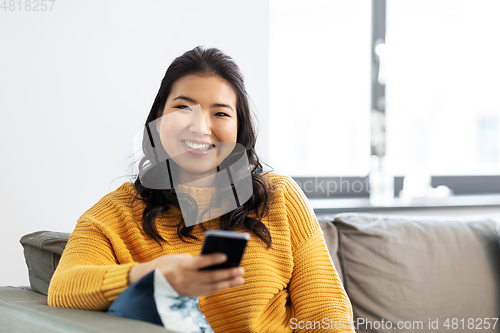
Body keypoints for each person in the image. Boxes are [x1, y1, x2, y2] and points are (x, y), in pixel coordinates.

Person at [48, 46, 355, 332]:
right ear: (158, 118)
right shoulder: (115, 214)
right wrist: (155, 276)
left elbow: (328, 316)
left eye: (220, 113)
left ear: (239, 128)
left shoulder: (280, 196)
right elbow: (64, 288)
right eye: (183, 108)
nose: (201, 127)